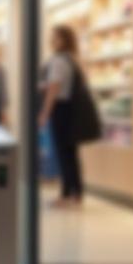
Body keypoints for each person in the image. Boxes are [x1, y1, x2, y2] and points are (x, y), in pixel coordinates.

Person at [39, 25, 84, 207]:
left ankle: (67, 194)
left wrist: (45, 113)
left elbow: (54, 88)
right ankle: (76, 193)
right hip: (71, 109)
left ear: (64, 40)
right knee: (71, 153)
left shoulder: (58, 61)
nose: (52, 41)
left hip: (61, 109)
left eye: (55, 37)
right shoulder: (72, 59)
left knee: (64, 153)